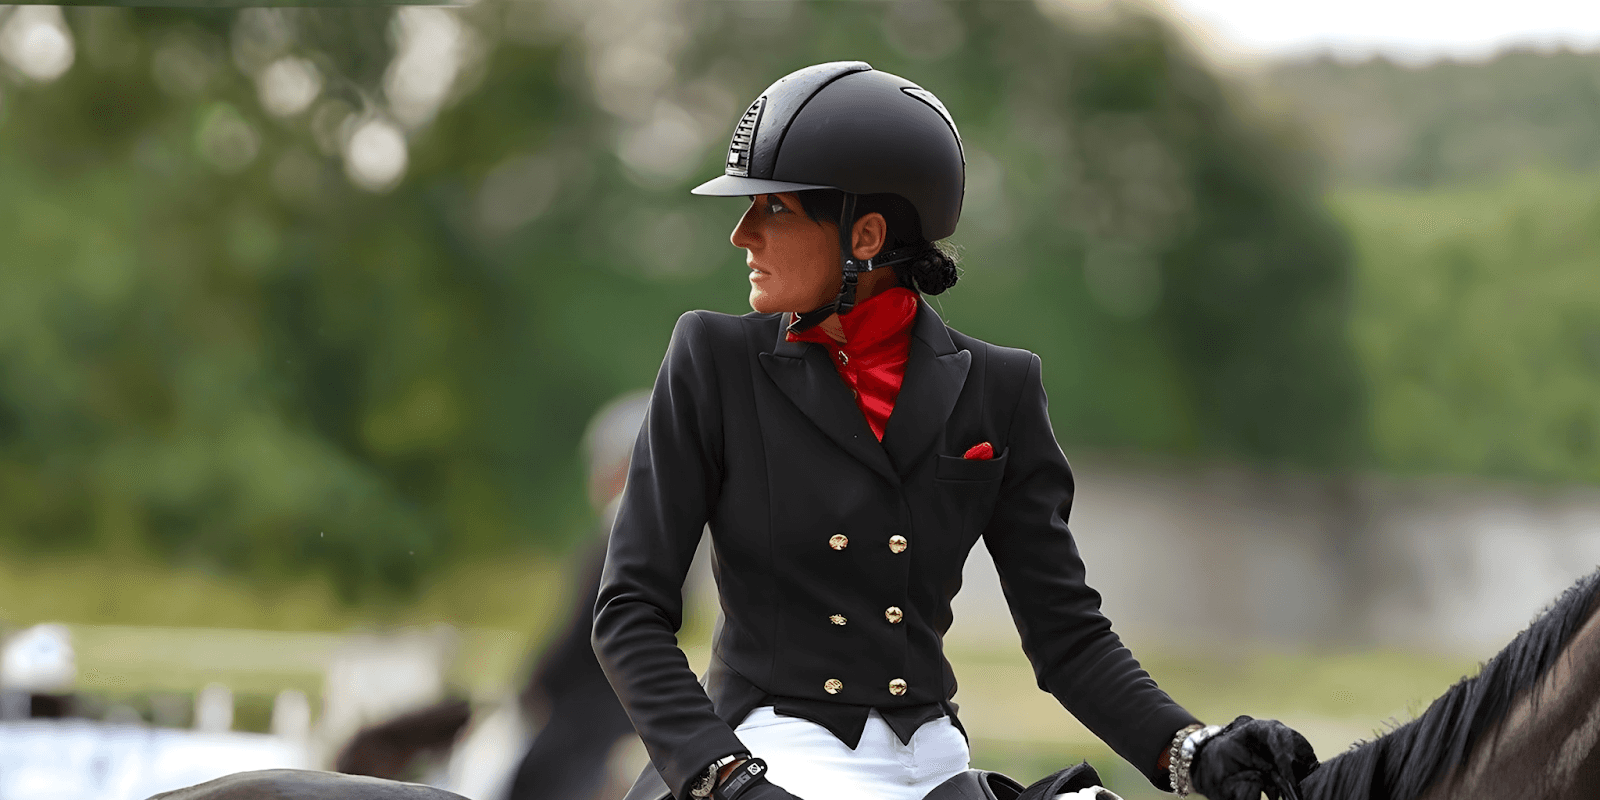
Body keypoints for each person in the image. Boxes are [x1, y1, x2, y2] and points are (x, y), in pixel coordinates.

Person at [592, 61, 1318, 800]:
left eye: (773, 209)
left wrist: (1191, 747)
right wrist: (724, 778)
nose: (742, 234)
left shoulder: (1000, 388)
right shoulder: (714, 360)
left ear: (865, 235)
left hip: (932, 758)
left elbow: (1068, 636)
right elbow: (630, 613)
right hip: (769, 748)